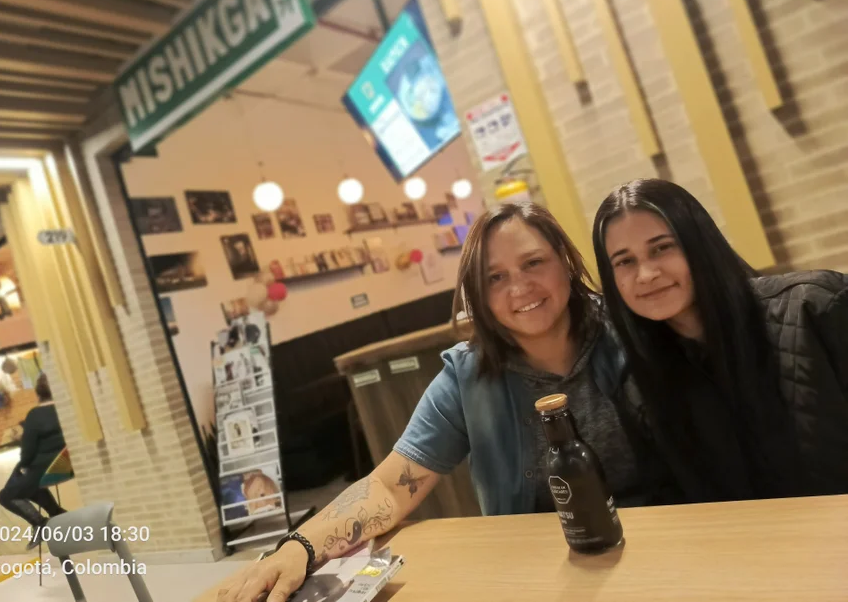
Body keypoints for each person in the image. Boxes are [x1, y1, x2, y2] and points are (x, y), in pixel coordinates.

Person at [219, 202, 664, 602]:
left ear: (564, 261)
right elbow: (390, 486)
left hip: (662, 540)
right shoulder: (468, 376)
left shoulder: (630, 331)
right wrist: (298, 547)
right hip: (544, 571)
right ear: (478, 294)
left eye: (533, 263)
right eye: (495, 277)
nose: (520, 287)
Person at [593, 178, 848, 503]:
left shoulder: (817, 308)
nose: (646, 274)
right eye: (624, 261)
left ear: (700, 244)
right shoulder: (638, 388)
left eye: (662, 247)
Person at [0, 373, 67, 549]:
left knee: (5, 495)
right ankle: (57, 514)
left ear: (39, 394)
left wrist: (25, 465)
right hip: (64, 463)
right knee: (24, 481)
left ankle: (41, 523)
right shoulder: (66, 408)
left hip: (50, 466)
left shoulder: (37, 414)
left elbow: (28, 450)